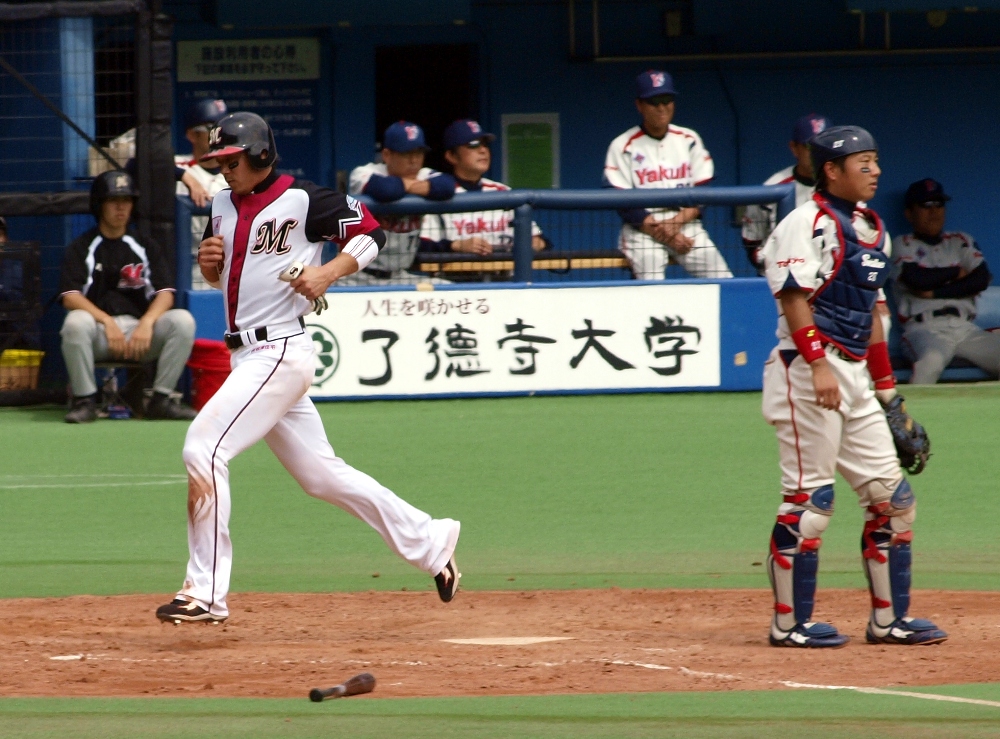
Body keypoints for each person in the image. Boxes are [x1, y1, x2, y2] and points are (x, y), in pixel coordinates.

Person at [155, 112, 461, 624]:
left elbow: (370, 235)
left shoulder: (304, 199)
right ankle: (431, 541)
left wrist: (327, 272)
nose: (224, 169)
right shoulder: (224, 203)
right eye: (218, 161)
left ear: (259, 154)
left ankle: (205, 592)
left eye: (231, 160)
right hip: (247, 353)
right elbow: (223, 278)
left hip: (279, 352)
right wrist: (210, 265)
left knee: (203, 448)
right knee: (322, 477)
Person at [760, 126, 947, 648]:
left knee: (893, 499)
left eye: (876, 160)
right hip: (805, 369)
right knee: (810, 503)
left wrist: (890, 396)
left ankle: (890, 620)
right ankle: (788, 624)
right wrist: (819, 364)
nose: (875, 170)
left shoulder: (873, 229)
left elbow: (873, 317)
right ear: (832, 171)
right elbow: (794, 298)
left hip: (856, 376)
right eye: (862, 162)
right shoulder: (806, 223)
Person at [59, 171, 198, 423]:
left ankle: (161, 400)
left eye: (127, 200)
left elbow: (165, 294)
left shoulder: (144, 245)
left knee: (182, 320)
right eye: (113, 200)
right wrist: (107, 322)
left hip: (139, 336)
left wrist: (146, 323)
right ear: (99, 204)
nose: (121, 206)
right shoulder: (82, 246)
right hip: (98, 334)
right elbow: (70, 297)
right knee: (75, 322)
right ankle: (85, 401)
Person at [602, 70, 732, 280]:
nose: (662, 107)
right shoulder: (622, 145)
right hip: (643, 230)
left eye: (667, 100)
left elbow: (703, 190)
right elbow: (623, 202)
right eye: (654, 101)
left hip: (685, 223)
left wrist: (676, 223)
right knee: (651, 277)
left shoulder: (689, 139)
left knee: (720, 275)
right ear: (640, 105)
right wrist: (666, 234)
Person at [892, 179, 1000, 384]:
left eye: (938, 204)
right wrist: (957, 272)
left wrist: (934, 293)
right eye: (925, 205)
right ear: (909, 213)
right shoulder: (901, 243)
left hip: (964, 328)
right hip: (923, 329)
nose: (934, 211)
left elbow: (980, 279)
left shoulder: (960, 241)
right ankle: (913, 416)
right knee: (930, 363)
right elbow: (916, 279)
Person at [419, 119, 547, 280]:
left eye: (485, 144)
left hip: (502, 281)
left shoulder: (503, 192)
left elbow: (541, 241)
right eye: (473, 144)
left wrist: (534, 244)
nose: (483, 151)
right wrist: (457, 246)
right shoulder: (439, 194)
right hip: (454, 284)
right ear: (451, 156)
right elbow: (422, 246)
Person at [345, 121, 456, 285]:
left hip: (399, 277)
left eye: (419, 153)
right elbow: (385, 190)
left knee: (449, 290)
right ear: (387, 155)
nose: (414, 161)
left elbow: (447, 186)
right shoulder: (364, 172)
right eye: (406, 153)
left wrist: (404, 186)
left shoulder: (423, 173)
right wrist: (413, 186)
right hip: (357, 275)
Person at [742, 114, 831, 274]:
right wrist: (779, 260)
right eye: (810, 147)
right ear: (794, 148)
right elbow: (752, 243)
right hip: (780, 282)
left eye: (824, 146)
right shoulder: (770, 189)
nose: (818, 154)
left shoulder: (846, 186)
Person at [175, 100, 231, 290]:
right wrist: (185, 177)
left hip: (232, 266)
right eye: (211, 128)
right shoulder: (178, 165)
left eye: (222, 129)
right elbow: (135, 165)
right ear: (192, 135)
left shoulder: (238, 173)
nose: (218, 135)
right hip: (188, 266)